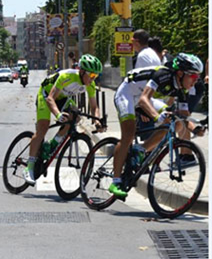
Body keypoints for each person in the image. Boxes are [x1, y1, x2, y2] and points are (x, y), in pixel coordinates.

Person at [111, 53, 205, 198]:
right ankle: (115, 181)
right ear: (180, 73)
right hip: (127, 93)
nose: (195, 81)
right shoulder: (163, 75)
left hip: (144, 97)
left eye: (197, 77)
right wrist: (157, 116)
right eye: (193, 77)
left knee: (177, 124)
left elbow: (184, 116)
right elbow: (144, 99)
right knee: (128, 134)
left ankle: (141, 150)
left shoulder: (182, 88)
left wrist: (196, 128)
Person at [22, 54, 105, 185]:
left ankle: (52, 145)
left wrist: (97, 121)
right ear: (82, 71)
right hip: (47, 94)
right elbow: (50, 99)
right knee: (43, 126)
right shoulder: (67, 77)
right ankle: (29, 167)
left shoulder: (90, 84)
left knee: (75, 117)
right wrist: (58, 115)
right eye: (92, 75)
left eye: (96, 76)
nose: (93, 79)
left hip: (63, 97)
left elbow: (94, 106)